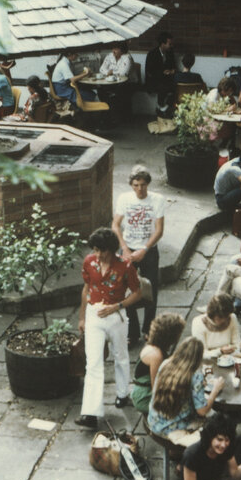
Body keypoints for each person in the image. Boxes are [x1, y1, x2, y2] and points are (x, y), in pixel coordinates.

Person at [75, 227, 142, 429]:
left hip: (116, 316)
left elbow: (137, 292)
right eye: (95, 249)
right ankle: (91, 413)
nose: (98, 254)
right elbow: (86, 289)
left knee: (120, 355)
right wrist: (82, 317)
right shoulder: (89, 262)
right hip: (94, 314)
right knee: (93, 363)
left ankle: (122, 393)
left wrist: (117, 306)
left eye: (102, 250)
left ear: (111, 249)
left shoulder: (126, 266)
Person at [112, 165, 166, 345]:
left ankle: (149, 329)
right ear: (131, 185)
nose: (139, 189)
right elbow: (115, 225)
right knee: (125, 290)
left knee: (150, 289)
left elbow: (159, 231)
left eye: (142, 185)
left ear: (148, 184)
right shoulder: (124, 199)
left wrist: (144, 249)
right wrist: (125, 249)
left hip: (148, 250)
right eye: (135, 185)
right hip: (128, 249)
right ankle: (132, 332)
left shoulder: (157, 200)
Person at [148, 338, 225, 446]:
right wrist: (215, 389)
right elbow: (202, 411)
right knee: (219, 421)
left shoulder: (166, 363)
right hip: (171, 428)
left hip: (155, 421)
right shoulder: (195, 375)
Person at [130, 313, 185, 415]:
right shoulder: (156, 355)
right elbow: (156, 386)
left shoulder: (156, 346)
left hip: (147, 390)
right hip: (145, 396)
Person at [190, 293, 241, 360]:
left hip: (228, 360)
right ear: (211, 314)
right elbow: (201, 354)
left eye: (227, 316)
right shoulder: (198, 323)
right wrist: (220, 351)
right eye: (220, 318)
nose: (224, 320)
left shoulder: (232, 317)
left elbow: (236, 342)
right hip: (207, 362)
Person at [144, 31, 176, 117]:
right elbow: (149, 72)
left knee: (176, 86)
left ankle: (163, 107)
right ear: (162, 44)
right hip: (154, 80)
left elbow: (174, 66)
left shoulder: (170, 53)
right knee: (163, 86)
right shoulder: (152, 54)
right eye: (169, 44)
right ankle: (161, 107)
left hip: (166, 79)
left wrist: (172, 71)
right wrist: (162, 73)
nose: (171, 46)